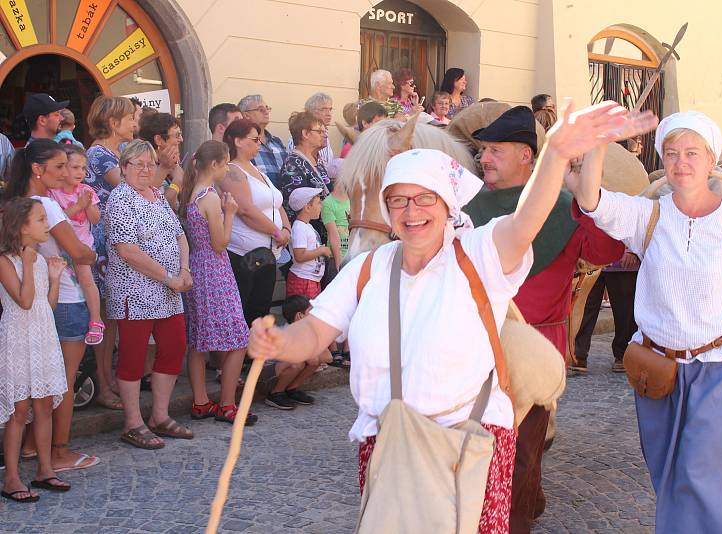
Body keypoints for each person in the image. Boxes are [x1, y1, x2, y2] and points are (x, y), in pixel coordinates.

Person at [247, 101, 634, 532]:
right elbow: (317, 331)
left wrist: (556, 154)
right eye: (398, 201)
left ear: (447, 204)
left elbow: (526, 221)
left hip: (470, 441)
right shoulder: (366, 269)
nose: (411, 212)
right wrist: (281, 341)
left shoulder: (478, 254)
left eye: (423, 200)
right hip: (388, 441)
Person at [566, 110, 722, 534]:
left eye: (692, 153)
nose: (681, 162)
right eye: (672, 153)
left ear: (710, 160)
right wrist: (598, 143)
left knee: (700, 471)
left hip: (719, 367)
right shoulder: (647, 215)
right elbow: (591, 199)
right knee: (666, 471)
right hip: (656, 367)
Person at [464, 105, 625, 531]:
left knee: (523, 455)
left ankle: (518, 512)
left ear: (526, 155)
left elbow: (607, 253)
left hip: (535, 356)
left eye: (495, 150)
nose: (484, 159)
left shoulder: (565, 205)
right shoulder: (464, 204)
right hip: (474, 352)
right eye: (482, 150)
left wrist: (588, 193)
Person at [5, 140, 100, 473]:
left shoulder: (16, 203)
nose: (64, 173)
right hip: (66, 295)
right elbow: (78, 251)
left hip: (40, 297)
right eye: (58, 167)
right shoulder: (46, 203)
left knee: (39, 382)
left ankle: (33, 446)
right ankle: (58, 451)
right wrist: (93, 255)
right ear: (37, 169)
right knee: (63, 383)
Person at [105, 140, 194, 450]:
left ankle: (160, 415)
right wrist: (169, 278)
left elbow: (179, 234)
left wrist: (184, 270)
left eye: (150, 164)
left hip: (169, 290)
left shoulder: (157, 195)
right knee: (133, 354)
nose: (145, 169)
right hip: (135, 290)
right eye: (137, 164)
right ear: (124, 168)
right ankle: (132, 423)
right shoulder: (120, 200)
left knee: (173, 347)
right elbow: (127, 250)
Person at [179, 141, 256, 426]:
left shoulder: (191, 192)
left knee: (199, 340)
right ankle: (227, 404)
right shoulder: (210, 197)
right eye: (225, 163)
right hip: (215, 271)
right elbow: (220, 243)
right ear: (214, 165)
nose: (227, 169)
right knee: (238, 338)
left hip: (199, 268)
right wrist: (231, 214)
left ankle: (201, 401)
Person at [0, 198, 70, 502]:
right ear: (22, 226)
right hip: (18, 337)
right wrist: (27, 264)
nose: (46, 225)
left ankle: (45, 469)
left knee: (44, 406)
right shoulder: (6, 261)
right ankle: (11, 477)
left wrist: (53, 279)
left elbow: (45, 305)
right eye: (41, 220)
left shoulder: (39, 259)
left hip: (43, 336)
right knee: (20, 410)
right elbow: (24, 301)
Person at [84, 95, 137, 412]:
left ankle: (109, 379)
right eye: (130, 118)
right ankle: (103, 384)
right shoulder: (100, 155)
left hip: (112, 243)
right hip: (102, 245)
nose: (135, 123)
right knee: (104, 319)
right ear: (114, 122)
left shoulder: (114, 153)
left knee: (111, 319)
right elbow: (132, 188)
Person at [219, 119, 290, 327]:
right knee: (245, 309)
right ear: (238, 141)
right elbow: (246, 210)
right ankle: (239, 358)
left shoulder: (256, 169)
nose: (260, 144)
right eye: (255, 139)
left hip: (267, 254)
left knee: (260, 309)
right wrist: (277, 233)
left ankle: (253, 356)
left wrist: (286, 228)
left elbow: (277, 202)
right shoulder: (232, 170)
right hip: (245, 255)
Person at [47, 145, 104, 346]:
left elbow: (96, 220)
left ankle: (96, 320)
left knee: (87, 279)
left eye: (83, 168)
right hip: (61, 245)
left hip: (82, 246)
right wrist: (78, 205)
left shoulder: (86, 191)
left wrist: (87, 205)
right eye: (75, 167)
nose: (80, 172)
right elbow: (59, 219)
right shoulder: (53, 193)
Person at [573, 249, 639, 374]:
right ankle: (577, 354)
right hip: (592, 254)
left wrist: (633, 251)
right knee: (584, 307)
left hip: (622, 258)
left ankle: (623, 354)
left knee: (625, 312)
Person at [264, 295, 332, 409]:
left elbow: (328, 358)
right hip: (267, 374)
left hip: (280, 370)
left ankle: (291, 389)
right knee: (298, 363)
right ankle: (275, 394)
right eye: (311, 312)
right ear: (300, 316)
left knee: (313, 361)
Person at [277, 111, 331, 222]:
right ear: (305, 134)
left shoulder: (318, 161)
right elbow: (301, 206)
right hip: (308, 233)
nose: (325, 135)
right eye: (319, 131)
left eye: (324, 131)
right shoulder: (292, 165)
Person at [287, 188, 329, 299]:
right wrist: (321, 250)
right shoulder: (299, 228)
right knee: (304, 313)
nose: (321, 206)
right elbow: (300, 256)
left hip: (311, 279)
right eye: (318, 203)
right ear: (307, 207)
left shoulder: (308, 226)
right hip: (302, 279)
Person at [138, 112, 183, 212]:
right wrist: (177, 183)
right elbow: (152, 206)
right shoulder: (144, 167)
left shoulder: (171, 164)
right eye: (177, 135)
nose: (181, 139)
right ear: (158, 140)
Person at [238, 94, 288, 185]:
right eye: (261, 109)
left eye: (267, 108)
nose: (266, 112)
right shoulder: (243, 144)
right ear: (246, 115)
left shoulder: (277, 142)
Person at [287, 93, 335, 167]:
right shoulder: (300, 137)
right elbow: (296, 164)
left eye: (330, 109)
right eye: (323, 109)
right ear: (311, 112)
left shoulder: (325, 134)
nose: (329, 114)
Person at [322, 179, 350, 271]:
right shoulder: (328, 203)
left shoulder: (354, 199)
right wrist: (339, 263)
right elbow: (333, 234)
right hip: (337, 258)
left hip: (353, 255)